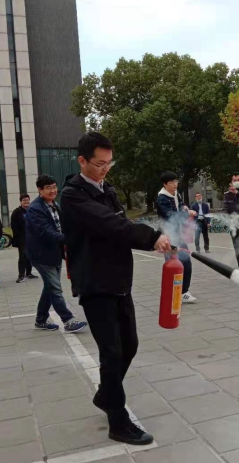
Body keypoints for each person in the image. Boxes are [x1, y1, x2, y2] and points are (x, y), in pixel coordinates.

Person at [61, 132, 171, 446]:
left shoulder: (106, 189)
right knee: (111, 352)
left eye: (109, 163)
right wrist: (151, 237)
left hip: (119, 280)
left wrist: (157, 240)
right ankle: (118, 421)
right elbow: (109, 224)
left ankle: (106, 395)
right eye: (99, 164)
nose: (105, 169)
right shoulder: (73, 195)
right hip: (95, 282)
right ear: (82, 161)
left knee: (130, 345)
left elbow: (121, 225)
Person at [26, 175, 87, 333]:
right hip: (41, 255)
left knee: (50, 287)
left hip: (54, 253)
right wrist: (67, 239)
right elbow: (45, 231)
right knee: (55, 288)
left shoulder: (54, 204)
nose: (53, 190)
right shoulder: (35, 209)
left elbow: (61, 225)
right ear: (40, 190)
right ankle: (68, 320)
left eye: (54, 187)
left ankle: (40, 320)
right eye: (48, 188)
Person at [156, 171, 197, 303]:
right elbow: (171, 216)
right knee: (172, 263)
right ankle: (174, 293)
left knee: (186, 261)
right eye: (171, 182)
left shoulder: (176, 194)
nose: (175, 184)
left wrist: (186, 208)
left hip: (178, 235)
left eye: (176, 181)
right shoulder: (162, 199)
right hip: (168, 236)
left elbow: (181, 205)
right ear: (164, 184)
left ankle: (183, 291)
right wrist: (186, 213)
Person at [11, 194, 37, 283]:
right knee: (23, 256)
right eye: (24, 200)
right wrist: (18, 237)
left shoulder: (32, 210)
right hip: (21, 238)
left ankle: (29, 273)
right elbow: (14, 226)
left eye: (27, 200)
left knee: (30, 255)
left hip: (32, 237)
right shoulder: (17, 212)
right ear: (21, 202)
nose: (26, 201)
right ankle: (21, 275)